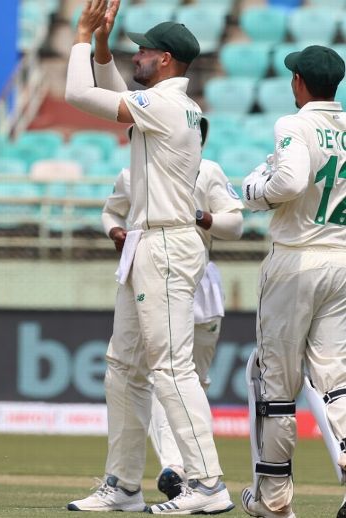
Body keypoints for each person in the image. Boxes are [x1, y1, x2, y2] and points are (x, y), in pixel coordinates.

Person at [63, 0, 234, 513]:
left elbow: (80, 94)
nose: (134, 56)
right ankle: (123, 485)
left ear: (164, 60)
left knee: (171, 369)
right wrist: (100, 46)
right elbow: (113, 90)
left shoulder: (165, 106)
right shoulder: (167, 104)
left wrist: (80, 36)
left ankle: (208, 484)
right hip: (148, 243)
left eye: (143, 51)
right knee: (123, 366)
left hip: (165, 244)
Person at [102, 118, 244, 502]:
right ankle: (175, 467)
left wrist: (197, 215)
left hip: (197, 281)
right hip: (147, 273)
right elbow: (111, 212)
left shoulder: (207, 171)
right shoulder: (130, 176)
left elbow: (235, 224)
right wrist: (115, 231)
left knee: (187, 377)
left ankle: (192, 473)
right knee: (158, 372)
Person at [239, 44, 346, 518]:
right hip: (341, 259)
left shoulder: (294, 124)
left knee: (275, 383)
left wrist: (253, 192)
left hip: (296, 259)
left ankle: (273, 499)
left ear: (298, 81)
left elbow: (288, 183)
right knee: (336, 379)